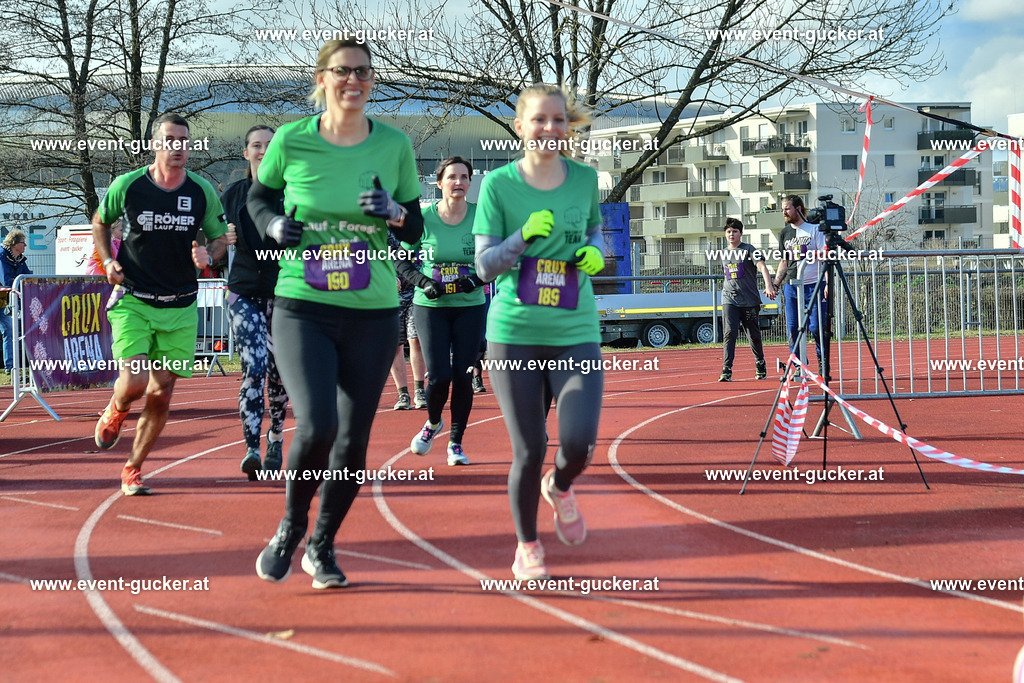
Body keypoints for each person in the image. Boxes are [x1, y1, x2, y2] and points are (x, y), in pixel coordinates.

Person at [248, 38, 423, 589]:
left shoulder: (394, 145)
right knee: (318, 424)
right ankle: (290, 526)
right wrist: (274, 227)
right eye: (343, 71)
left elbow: (416, 226)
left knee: (353, 441)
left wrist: (394, 212)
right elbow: (258, 199)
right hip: (304, 305)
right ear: (322, 78)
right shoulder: (293, 140)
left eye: (364, 72)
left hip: (371, 311)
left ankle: (322, 544)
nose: (354, 80)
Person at [474, 83, 605, 580]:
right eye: (539, 120)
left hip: (575, 329)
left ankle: (562, 485)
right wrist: (522, 236)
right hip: (515, 331)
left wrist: (597, 252)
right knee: (529, 448)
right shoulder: (498, 186)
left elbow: (593, 232)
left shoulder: (585, 180)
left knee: (579, 442)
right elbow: (484, 267)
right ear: (519, 126)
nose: (550, 129)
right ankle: (527, 545)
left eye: (558, 120)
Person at [92, 112, 228, 496]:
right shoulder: (129, 186)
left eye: (184, 141)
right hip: (134, 299)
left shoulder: (201, 190)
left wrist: (208, 254)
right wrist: (108, 261)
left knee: (161, 393)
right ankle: (117, 409)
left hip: (181, 305)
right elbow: (101, 222)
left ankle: (133, 469)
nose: (178, 147)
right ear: (155, 144)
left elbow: (219, 240)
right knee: (134, 382)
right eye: (170, 140)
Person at [400, 156, 485, 466]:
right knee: (438, 376)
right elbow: (401, 260)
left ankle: (456, 442)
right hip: (431, 307)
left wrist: (476, 279)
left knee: (464, 376)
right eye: (452, 177)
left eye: (464, 177)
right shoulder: (423, 220)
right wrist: (423, 282)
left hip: (469, 307)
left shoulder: (482, 218)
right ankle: (433, 422)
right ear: (439, 183)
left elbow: (497, 259)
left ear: (470, 182)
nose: (458, 182)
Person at [222, 124, 290, 480]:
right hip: (243, 292)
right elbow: (208, 244)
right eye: (256, 145)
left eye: (270, 145)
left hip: (284, 294)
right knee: (255, 365)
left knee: (280, 374)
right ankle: (251, 448)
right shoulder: (232, 195)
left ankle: (276, 436)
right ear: (246, 152)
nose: (263, 150)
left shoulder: (293, 192)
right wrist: (222, 241)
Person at [773, 195, 827, 372]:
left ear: (798, 208)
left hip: (813, 284)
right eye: (782, 210)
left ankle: (823, 361)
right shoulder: (785, 233)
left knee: (815, 326)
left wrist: (826, 283)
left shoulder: (815, 229)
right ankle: (798, 364)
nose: (784, 212)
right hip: (791, 285)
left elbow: (824, 256)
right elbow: (784, 261)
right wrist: (775, 284)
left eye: (787, 209)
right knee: (792, 327)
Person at [718, 218, 775, 382]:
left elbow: (762, 266)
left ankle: (760, 363)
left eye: (734, 231)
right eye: (728, 232)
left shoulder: (750, 249)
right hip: (729, 298)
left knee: (753, 334)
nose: (731, 234)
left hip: (749, 300)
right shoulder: (723, 253)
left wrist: (769, 285)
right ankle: (726, 369)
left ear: (740, 233)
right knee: (730, 332)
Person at [389, 232, 427, 410]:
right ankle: (403, 394)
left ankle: (420, 391)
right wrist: (387, 275)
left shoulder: (414, 226)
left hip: (416, 291)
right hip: (390, 294)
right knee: (395, 345)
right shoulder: (380, 228)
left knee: (416, 340)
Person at [0, 230, 32, 373]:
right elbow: (5, 280)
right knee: (8, 330)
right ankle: (11, 367)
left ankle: (11, 368)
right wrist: (19, 283)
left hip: (6, 300)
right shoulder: (1, 256)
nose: (25, 245)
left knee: (9, 330)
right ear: (14, 243)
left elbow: (27, 277)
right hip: (4, 297)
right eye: (22, 242)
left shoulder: (20, 259)